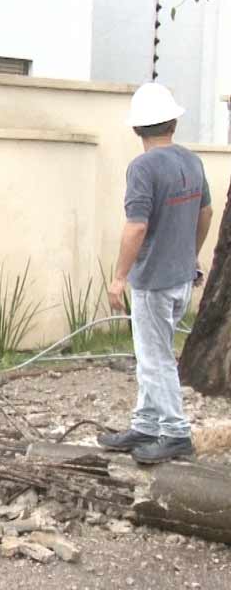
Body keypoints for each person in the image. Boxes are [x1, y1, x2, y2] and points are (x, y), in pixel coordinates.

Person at [98, 83, 214, 464]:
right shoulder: (192, 162)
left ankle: (176, 432)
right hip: (181, 278)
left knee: (155, 357)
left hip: (153, 282)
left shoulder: (142, 168)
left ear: (136, 130)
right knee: (154, 352)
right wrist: (192, 257)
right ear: (173, 123)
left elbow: (136, 227)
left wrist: (118, 277)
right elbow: (205, 214)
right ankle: (146, 424)